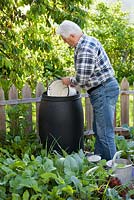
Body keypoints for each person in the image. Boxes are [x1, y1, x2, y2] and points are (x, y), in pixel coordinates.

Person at [56, 20, 119, 161]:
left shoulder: (84, 48)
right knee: (99, 129)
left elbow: (82, 78)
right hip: (104, 88)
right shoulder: (89, 41)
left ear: (71, 36)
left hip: (103, 90)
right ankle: (99, 159)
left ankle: (113, 170)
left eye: (65, 39)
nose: (65, 42)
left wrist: (69, 81)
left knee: (105, 132)